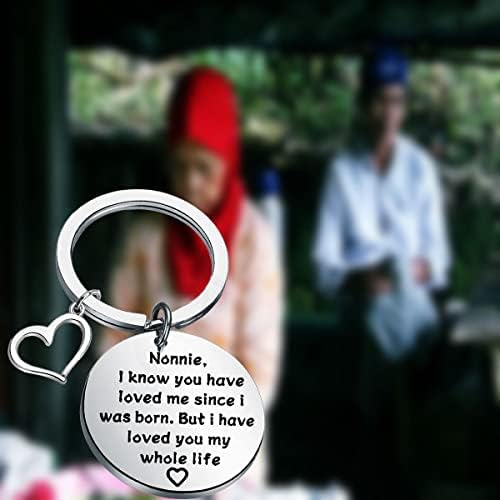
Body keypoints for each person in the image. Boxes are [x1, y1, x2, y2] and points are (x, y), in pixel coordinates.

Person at [101, 67, 283, 492]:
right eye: (179, 167)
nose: (189, 184)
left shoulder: (254, 241)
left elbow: (260, 369)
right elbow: (113, 340)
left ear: (228, 159)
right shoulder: (144, 236)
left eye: (203, 168)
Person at [312, 48, 451, 499]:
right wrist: (359, 277)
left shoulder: (419, 168)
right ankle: (395, 457)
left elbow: (439, 259)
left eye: (397, 101)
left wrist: (419, 267)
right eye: (379, 101)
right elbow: (323, 267)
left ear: (404, 107)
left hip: (410, 299)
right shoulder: (342, 172)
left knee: (401, 314)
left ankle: (384, 448)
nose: (388, 113)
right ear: (362, 104)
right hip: (363, 304)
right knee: (376, 318)